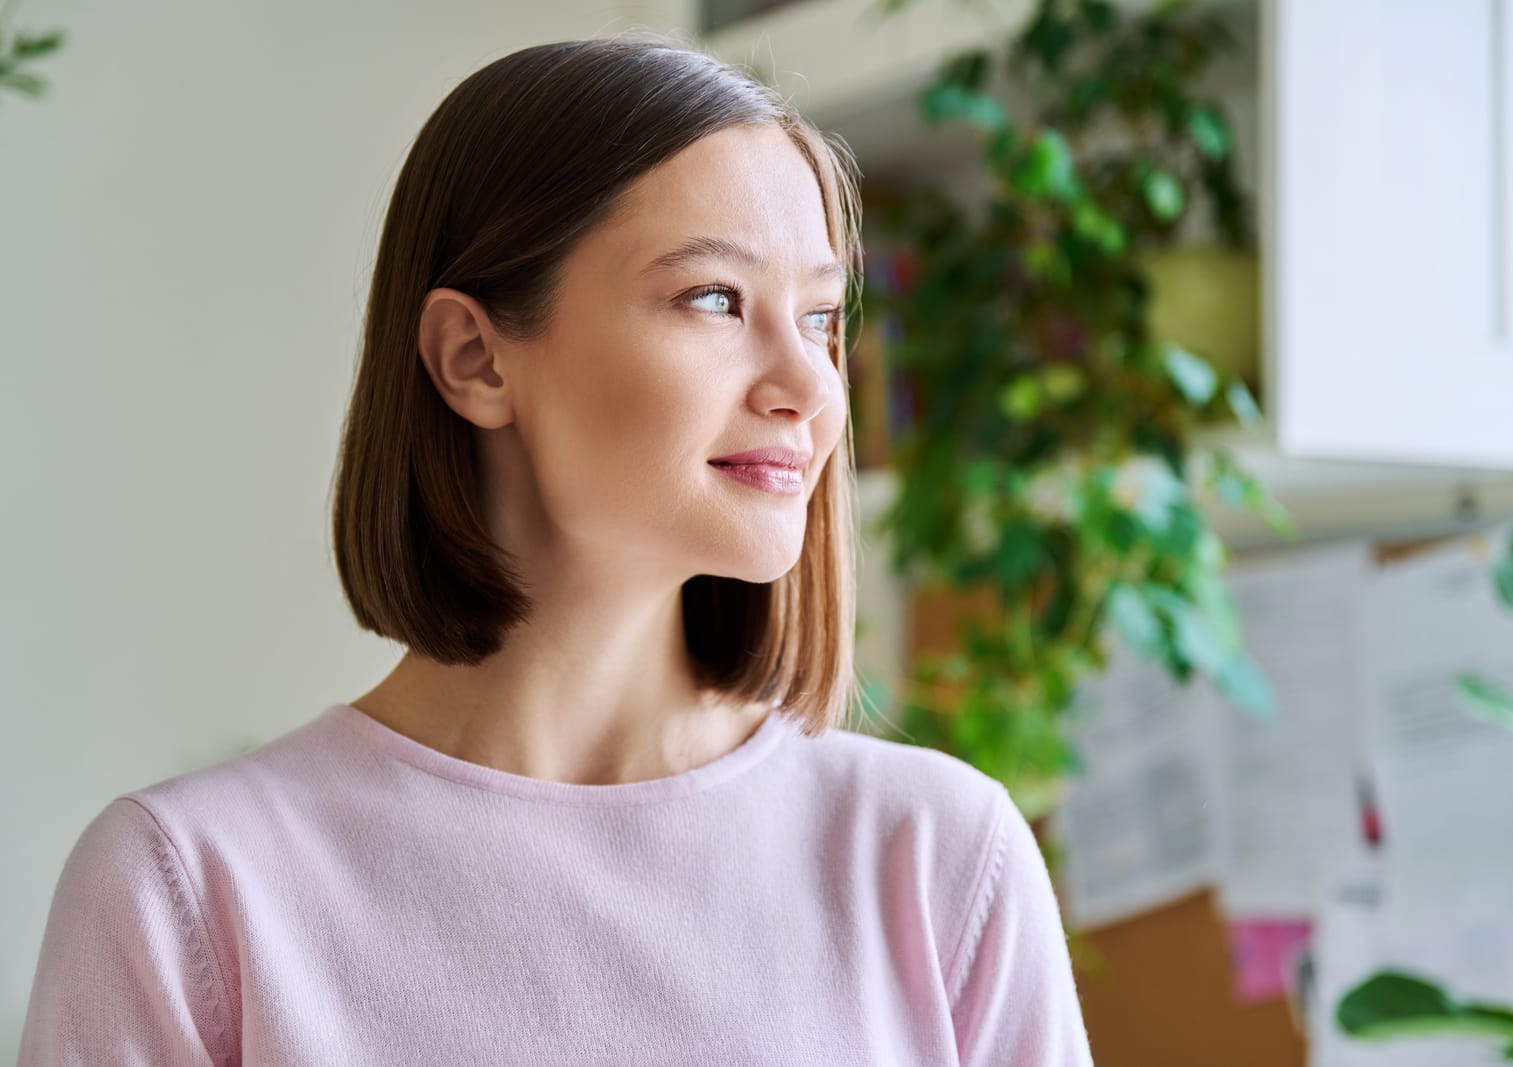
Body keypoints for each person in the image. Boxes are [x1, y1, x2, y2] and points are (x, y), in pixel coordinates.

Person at [18, 32, 1094, 1065]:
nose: (810, 386)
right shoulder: (188, 891)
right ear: (474, 357)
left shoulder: (940, 857)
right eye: (715, 298)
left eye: (819, 315)